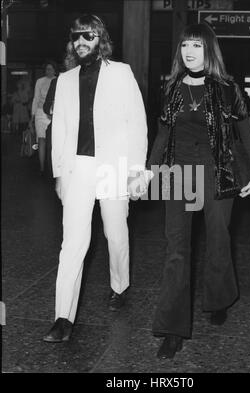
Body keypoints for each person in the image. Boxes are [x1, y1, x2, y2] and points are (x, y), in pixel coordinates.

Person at [144, 23, 250, 359]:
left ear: (209, 50)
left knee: (218, 237)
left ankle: (220, 297)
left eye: (197, 45)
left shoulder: (226, 88)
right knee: (176, 249)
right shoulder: (171, 88)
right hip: (180, 172)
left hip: (218, 171)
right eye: (185, 46)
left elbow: (245, 132)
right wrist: (149, 171)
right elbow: (162, 135)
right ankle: (171, 329)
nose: (190, 52)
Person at [43, 14, 148, 343]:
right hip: (78, 168)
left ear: (99, 38)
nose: (81, 42)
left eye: (87, 36)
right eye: (76, 37)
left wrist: (136, 171)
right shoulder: (65, 79)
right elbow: (58, 129)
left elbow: (137, 124)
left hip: (113, 165)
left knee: (115, 233)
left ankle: (120, 286)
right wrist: (59, 174)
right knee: (73, 243)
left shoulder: (121, 73)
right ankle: (63, 317)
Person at [43, 44, 77, 178]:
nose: (69, 61)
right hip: (60, 126)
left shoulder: (85, 81)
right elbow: (46, 107)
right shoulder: (56, 82)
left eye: (72, 59)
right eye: (67, 59)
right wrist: (54, 107)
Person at [31, 61, 57, 175]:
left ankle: (51, 167)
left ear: (55, 70)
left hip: (54, 114)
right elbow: (36, 98)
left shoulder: (59, 80)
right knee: (41, 140)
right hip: (40, 113)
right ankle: (42, 167)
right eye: (47, 69)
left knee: (53, 142)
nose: (48, 71)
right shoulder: (40, 81)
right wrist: (32, 117)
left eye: (51, 69)